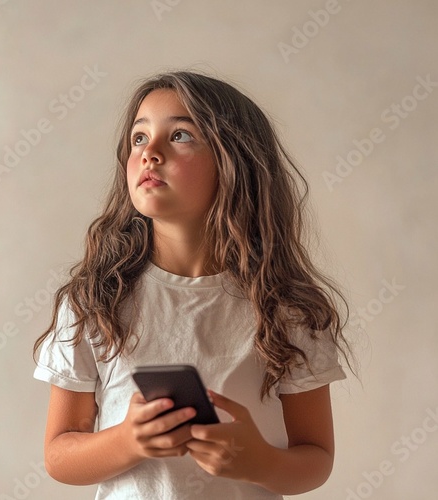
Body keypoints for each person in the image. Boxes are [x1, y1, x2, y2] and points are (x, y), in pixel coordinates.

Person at [33, 70, 352, 499]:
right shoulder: (95, 301)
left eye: (180, 135)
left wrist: (261, 460)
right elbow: (59, 456)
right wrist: (127, 441)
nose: (151, 153)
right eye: (139, 138)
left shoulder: (289, 309)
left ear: (234, 162)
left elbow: (316, 460)